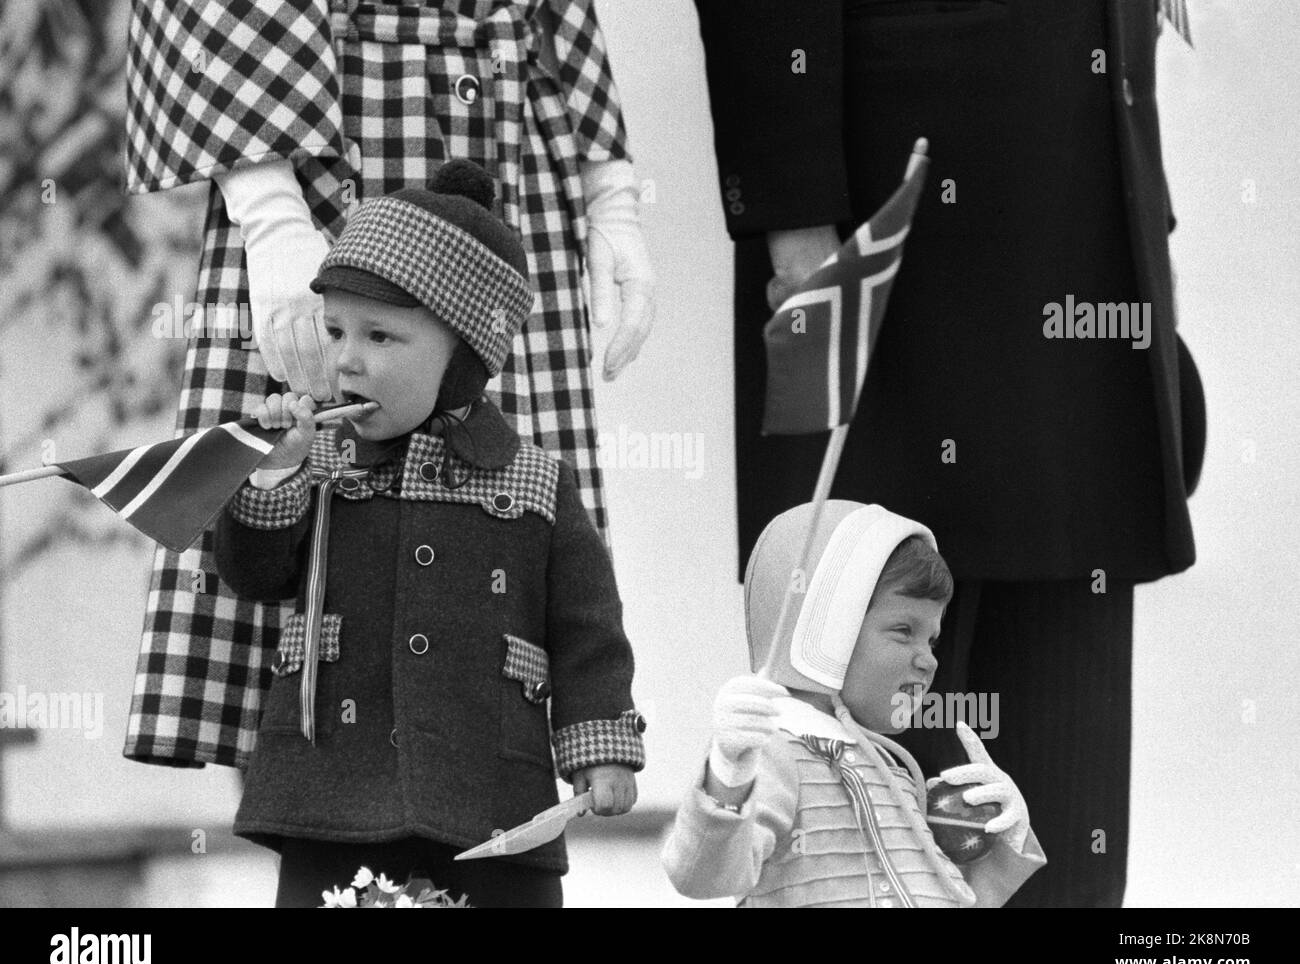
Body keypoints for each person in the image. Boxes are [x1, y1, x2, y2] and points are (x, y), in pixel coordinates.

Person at [692, 0, 1206, 906]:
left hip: (1083, 222)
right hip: (893, 233)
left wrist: (1142, 228)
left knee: (1059, 800)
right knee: (862, 759)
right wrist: (797, 212)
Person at [123, 0, 653, 773]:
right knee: (300, 487)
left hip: (510, 124)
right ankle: (326, 835)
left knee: (514, 517)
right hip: (321, 130)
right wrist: (268, 209)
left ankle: (491, 821)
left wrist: (611, 187)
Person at [212, 161, 646, 908]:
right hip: (333, 801)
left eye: (382, 336)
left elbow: (588, 631)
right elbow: (254, 572)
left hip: (495, 809)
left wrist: (599, 748)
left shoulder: (535, 483)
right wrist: (274, 478)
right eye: (338, 329)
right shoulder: (317, 463)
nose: (347, 357)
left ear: (464, 357)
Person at [662, 501, 1045, 907]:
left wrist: (1005, 839)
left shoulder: (894, 772)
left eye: (932, 640)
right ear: (826, 627)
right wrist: (729, 770)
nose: (928, 659)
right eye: (904, 631)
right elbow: (702, 878)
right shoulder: (774, 750)